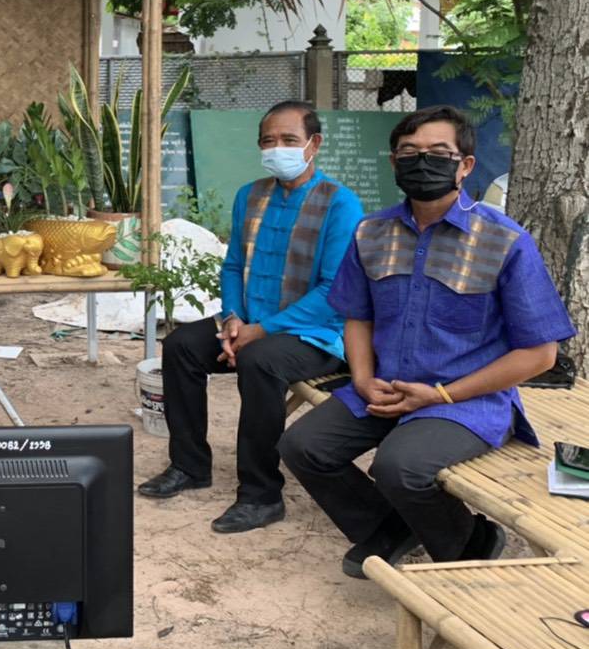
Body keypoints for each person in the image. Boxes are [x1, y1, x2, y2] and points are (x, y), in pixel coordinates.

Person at [279, 105, 574, 578]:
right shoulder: (371, 233)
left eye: (439, 152)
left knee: (399, 466)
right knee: (302, 445)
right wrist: (362, 377)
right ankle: (392, 527)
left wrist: (442, 394)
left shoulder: (505, 241)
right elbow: (358, 315)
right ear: (394, 163)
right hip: (385, 385)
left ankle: (468, 543)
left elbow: (541, 354)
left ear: (466, 165)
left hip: (464, 399)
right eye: (409, 152)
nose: (423, 162)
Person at [138, 101, 365, 534]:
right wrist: (233, 319)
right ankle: (189, 466)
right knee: (182, 345)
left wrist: (261, 331)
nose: (276, 148)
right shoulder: (251, 195)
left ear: (313, 145)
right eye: (268, 141)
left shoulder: (340, 204)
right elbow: (233, 267)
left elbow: (335, 291)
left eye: (289, 141)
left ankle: (261, 495)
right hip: (250, 322)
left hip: (316, 334)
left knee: (261, 361)